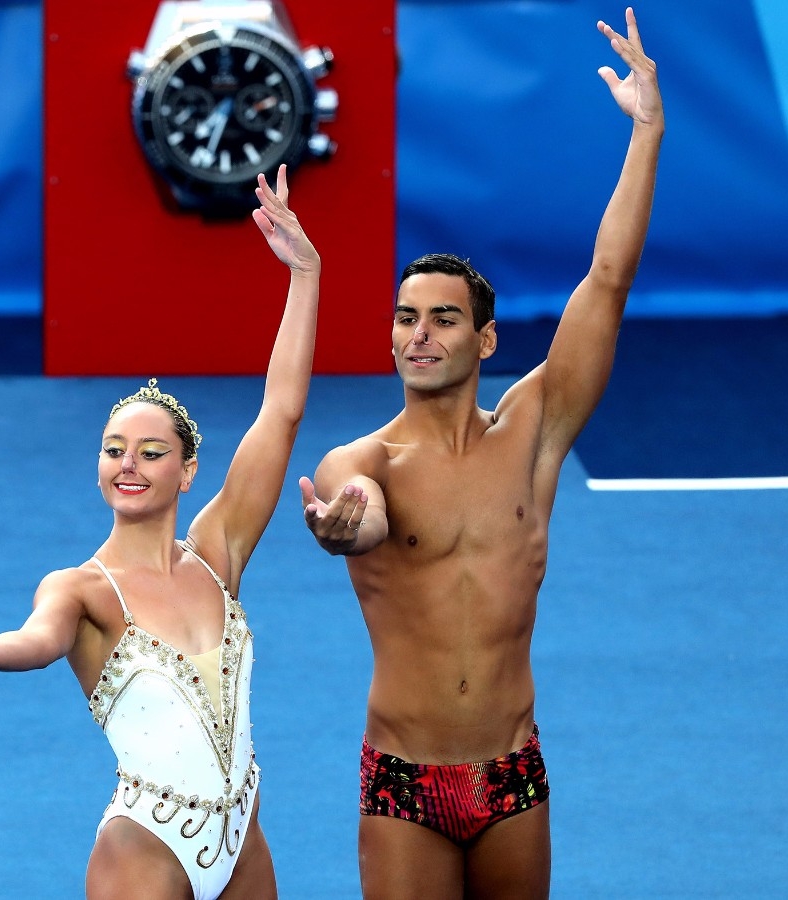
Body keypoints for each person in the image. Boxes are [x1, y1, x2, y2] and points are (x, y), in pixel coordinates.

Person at [297, 10, 664, 898]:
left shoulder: (535, 432)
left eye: (443, 318)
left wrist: (646, 131)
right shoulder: (364, 462)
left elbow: (606, 283)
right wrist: (344, 528)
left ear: (487, 340)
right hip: (403, 784)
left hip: (512, 777)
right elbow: (359, 518)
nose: (418, 336)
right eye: (404, 318)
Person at [0, 164, 319, 900]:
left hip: (243, 838)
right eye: (113, 450)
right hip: (144, 851)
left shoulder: (217, 554)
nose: (128, 465)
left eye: (151, 453)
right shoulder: (81, 589)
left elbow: (281, 412)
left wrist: (305, 277)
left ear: (188, 471)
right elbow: (34, 644)